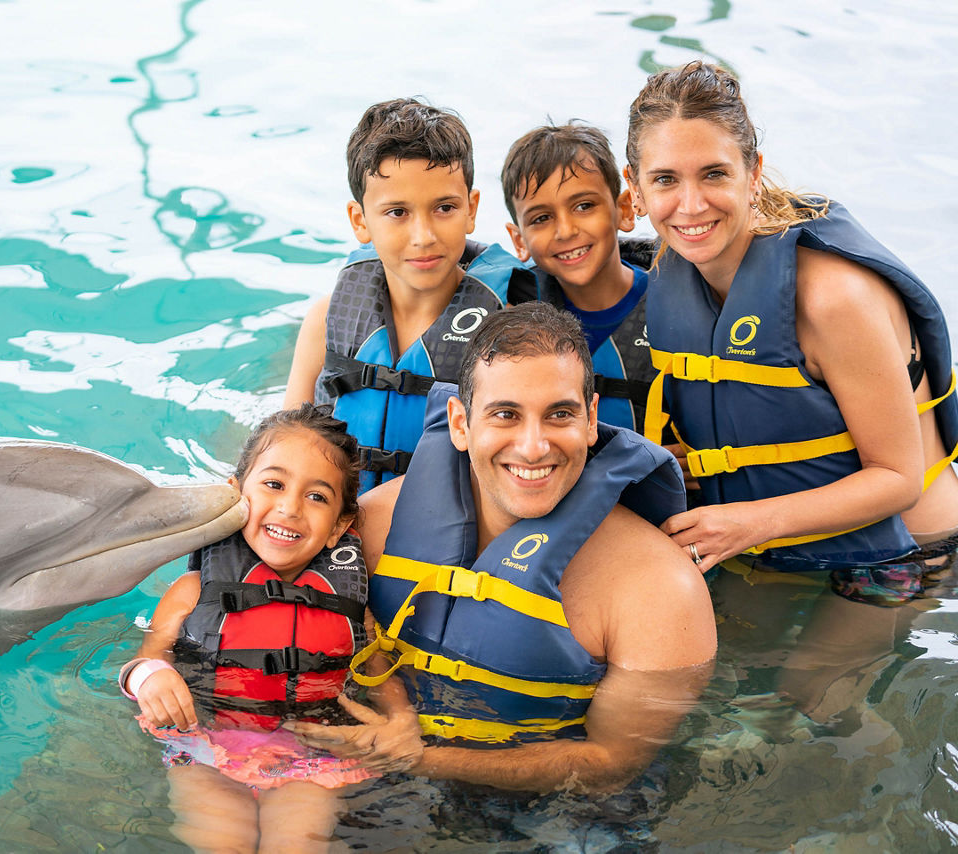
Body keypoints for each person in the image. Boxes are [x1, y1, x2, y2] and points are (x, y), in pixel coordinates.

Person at [288, 301, 716, 797]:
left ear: (592, 419)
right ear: (460, 423)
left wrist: (421, 759)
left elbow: (612, 762)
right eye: (506, 414)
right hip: (372, 777)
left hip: (556, 816)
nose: (533, 447)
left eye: (560, 414)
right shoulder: (373, 524)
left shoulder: (660, 587)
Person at [623, 60, 958, 592]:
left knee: (798, 681)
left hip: (906, 555)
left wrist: (749, 523)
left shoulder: (831, 298)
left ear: (752, 173)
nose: (691, 205)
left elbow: (899, 480)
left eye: (714, 173)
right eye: (665, 179)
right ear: (635, 189)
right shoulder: (674, 270)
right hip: (774, 544)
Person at [118, 404, 397, 853]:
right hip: (208, 747)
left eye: (317, 497)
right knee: (220, 843)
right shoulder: (192, 591)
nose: (289, 508)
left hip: (311, 756)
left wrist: (398, 721)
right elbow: (145, 660)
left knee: (297, 845)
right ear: (236, 493)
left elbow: (383, 679)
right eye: (273, 484)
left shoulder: (351, 606)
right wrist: (149, 677)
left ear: (339, 526)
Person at [284, 97, 525, 494]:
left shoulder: (508, 333)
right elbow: (286, 447)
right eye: (398, 212)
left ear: (471, 208)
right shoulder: (325, 322)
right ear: (360, 221)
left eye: (444, 207)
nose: (423, 236)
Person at [502, 122, 658, 433]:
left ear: (624, 210)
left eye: (584, 206)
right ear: (519, 240)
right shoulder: (510, 313)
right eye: (541, 218)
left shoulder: (679, 304)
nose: (566, 230)